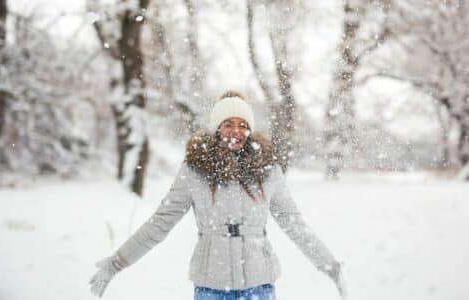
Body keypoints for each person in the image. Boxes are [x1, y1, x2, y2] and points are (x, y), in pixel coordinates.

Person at [89, 91, 348, 299]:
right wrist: (116, 263)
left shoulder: (268, 170)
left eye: (242, 125)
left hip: (259, 285)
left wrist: (330, 265)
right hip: (211, 285)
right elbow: (160, 223)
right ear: (216, 128)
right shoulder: (195, 170)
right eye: (228, 124)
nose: (236, 131)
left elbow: (294, 223)